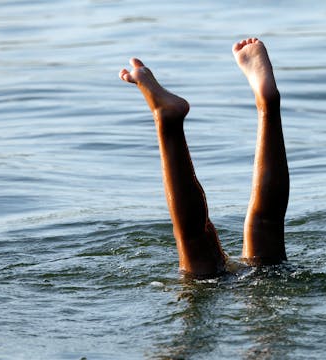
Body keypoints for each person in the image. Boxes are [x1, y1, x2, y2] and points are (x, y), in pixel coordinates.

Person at [119, 38, 289, 277]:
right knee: (265, 223)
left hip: (214, 288)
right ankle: (267, 103)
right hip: (273, 283)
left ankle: (166, 117)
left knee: (196, 241)